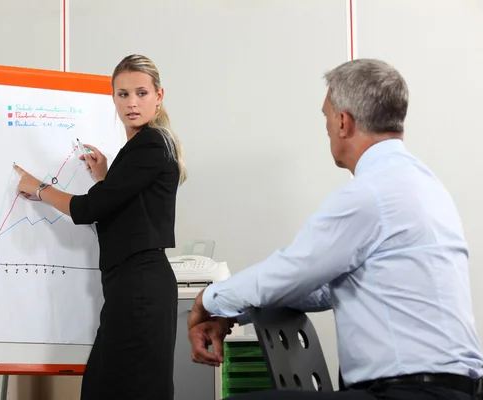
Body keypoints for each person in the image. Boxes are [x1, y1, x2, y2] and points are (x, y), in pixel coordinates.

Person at [187, 59, 483, 399]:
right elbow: (326, 288)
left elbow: (292, 271)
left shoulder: (371, 194)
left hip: (414, 392)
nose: (327, 126)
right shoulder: (422, 184)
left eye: (326, 115)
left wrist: (209, 299)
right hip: (447, 389)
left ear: (343, 121)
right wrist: (232, 314)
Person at [14, 54, 186, 400]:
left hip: (139, 286)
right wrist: (107, 177)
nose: (132, 103)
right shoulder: (144, 146)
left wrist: (39, 187)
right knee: (123, 387)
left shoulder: (150, 144)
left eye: (141, 93)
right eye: (123, 95)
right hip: (137, 285)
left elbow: (88, 208)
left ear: (159, 95)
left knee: (117, 388)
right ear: (113, 98)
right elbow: (127, 209)